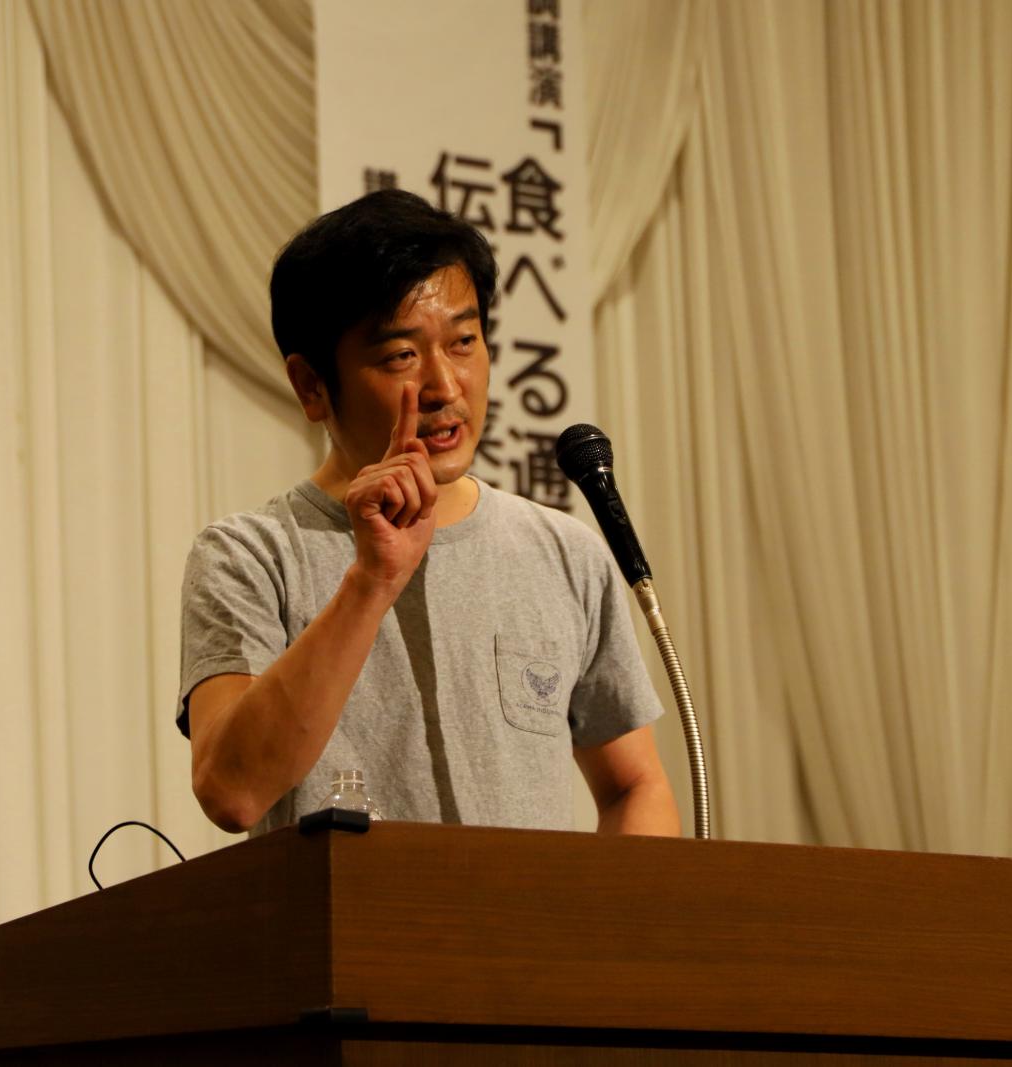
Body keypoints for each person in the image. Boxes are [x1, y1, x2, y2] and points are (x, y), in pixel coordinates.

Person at [177, 189, 679, 838]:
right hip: (348, 911)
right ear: (312, 386)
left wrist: (609, 910)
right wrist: (371, 581)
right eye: (401, 356)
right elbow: (232, 791)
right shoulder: (249, 555)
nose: (445, 386)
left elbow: (635, 786)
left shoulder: (563, 552)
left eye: (464, 341)